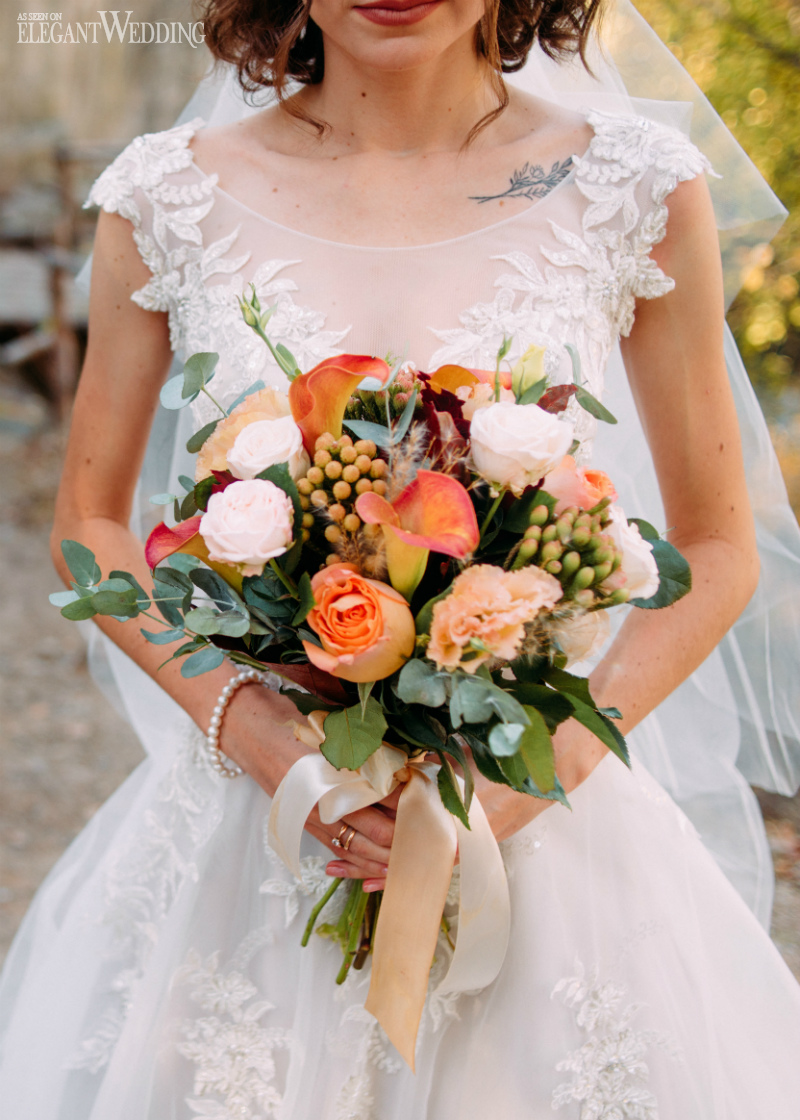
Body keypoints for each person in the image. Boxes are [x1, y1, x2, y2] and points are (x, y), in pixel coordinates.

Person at [1, 0, 800, 1115]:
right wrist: (276, 749)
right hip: (263, 823)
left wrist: (505, 794)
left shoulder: (634, 186)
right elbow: (88, 520)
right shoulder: (165, 196)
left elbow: (716, 548)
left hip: (541, 814)